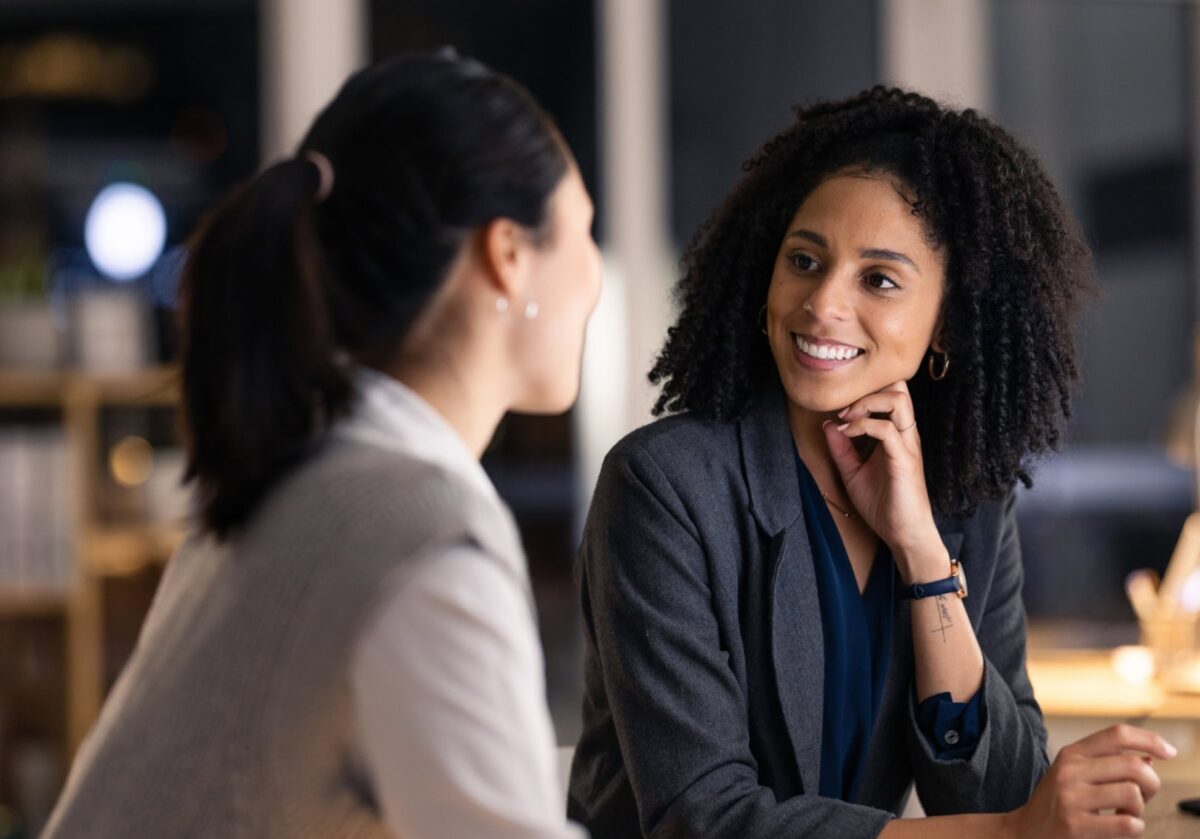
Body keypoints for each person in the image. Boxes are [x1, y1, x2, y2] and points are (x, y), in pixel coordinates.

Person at [568, 87, 1175, 839]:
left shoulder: (967, 500)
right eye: (804, 260)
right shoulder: (665, 486)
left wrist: (922, 553)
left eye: (879, 279)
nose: (822, 303)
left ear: (947, 321)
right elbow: (704, 820)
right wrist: (1011, 831)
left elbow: (1006, 790)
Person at [44, 51, 600, 838]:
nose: (595, 273)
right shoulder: (418, 531)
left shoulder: (302, 476)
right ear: (507, 255)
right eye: (585, 229)